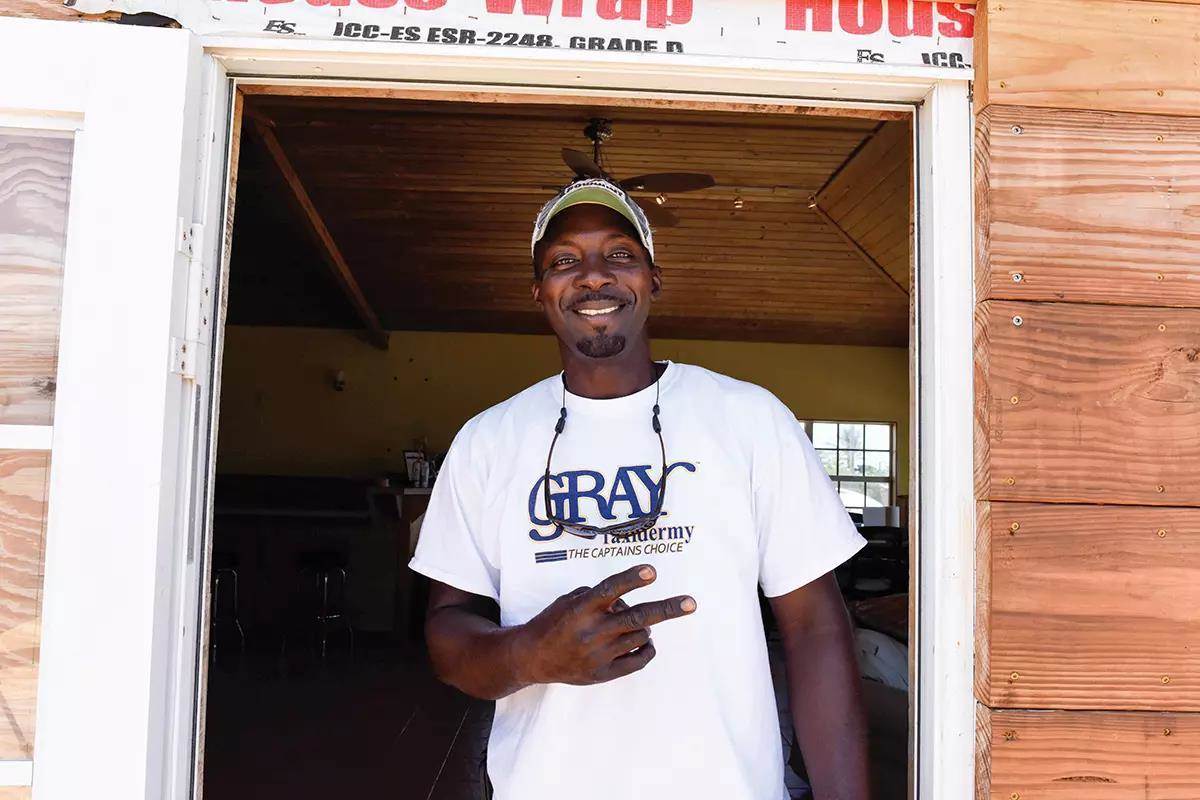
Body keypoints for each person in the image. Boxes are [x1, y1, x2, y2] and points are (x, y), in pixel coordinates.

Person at [410, 177, 870, 799]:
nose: (594, 276)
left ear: (654, 278)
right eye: (564, 261)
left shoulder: (750, 419)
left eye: (620, 255)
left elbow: (816, 628)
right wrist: (528, 656)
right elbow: (447, 629)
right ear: (539, 292)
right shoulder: (488, 441)